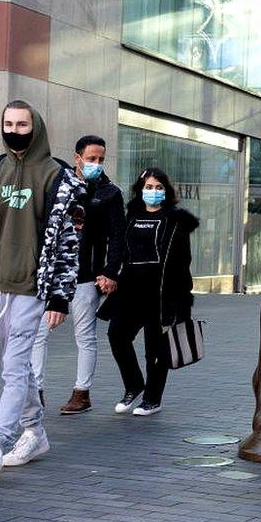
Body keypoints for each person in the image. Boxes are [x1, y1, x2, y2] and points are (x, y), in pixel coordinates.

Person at [0, 100, 83, 481]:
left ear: (35, 127)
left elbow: (70, 243)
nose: (14, 130)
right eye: (8, 123)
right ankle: (35, 432)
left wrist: (60, 296)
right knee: (16, 366)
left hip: (31, 289)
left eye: (22, 124)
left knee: (13, 368)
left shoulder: (58, 177)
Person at [30, 135, 126, 415]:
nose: (96, 164)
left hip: (86, 275)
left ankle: (81, 392)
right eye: (91, 158)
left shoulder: (109, 193)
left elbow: (118, 237)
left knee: (84, 335)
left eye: (101, 160)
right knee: (37, 332)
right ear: (77, 157)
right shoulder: (59, 186)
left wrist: (109, 271)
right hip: (51, 274)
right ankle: (35, 390)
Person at [100, 167, 198, 416]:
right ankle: (134, 385)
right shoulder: (131, 215)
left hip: (161, 294)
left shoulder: (176, 221)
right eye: (148, 187)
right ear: (140, 190)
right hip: (129, 291)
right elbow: (119, 250)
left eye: (158, 187)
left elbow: (182, 263)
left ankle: (153, 398)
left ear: (166, 191)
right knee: (117, 336)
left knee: (155, 349)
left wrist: (183, 302)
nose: (152, 192)